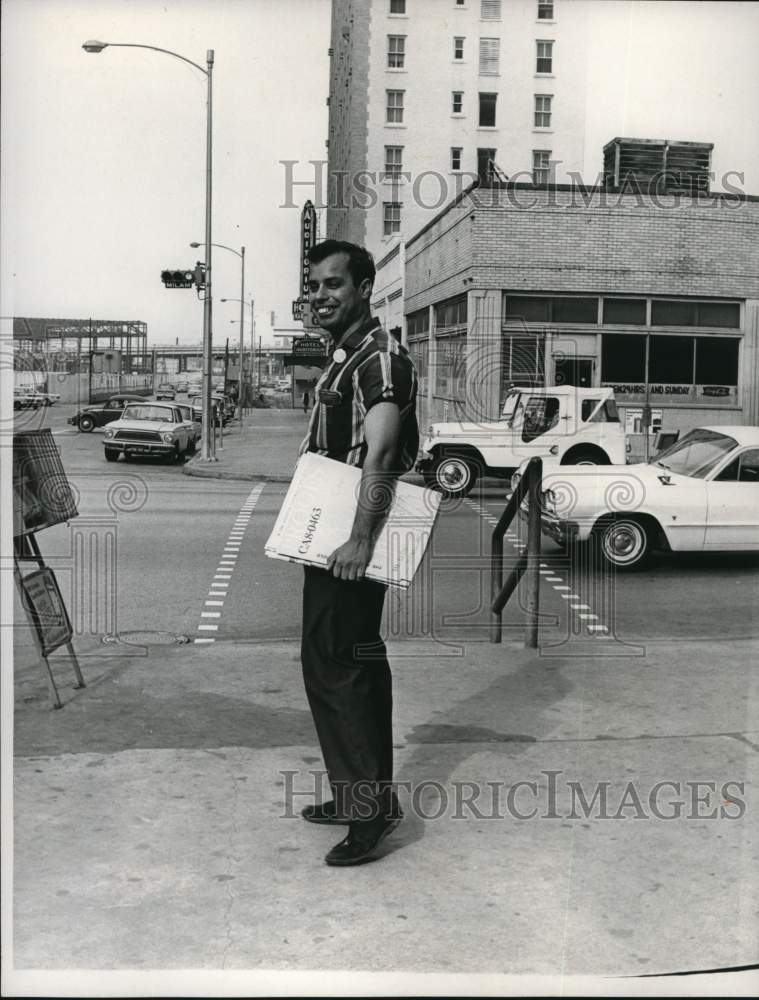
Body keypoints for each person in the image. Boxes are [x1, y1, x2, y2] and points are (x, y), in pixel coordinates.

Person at [297, 239, 418, 867]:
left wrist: (361, 539)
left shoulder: (380, 358)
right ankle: (360, 793)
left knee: (340, 664)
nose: (320, 296)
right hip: (334, 534)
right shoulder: (345, 355)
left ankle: (369, 812)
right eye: (314, 285)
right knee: (345, 661)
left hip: (352, 537)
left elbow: (383, 454)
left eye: (334, 285)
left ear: (366, 287)